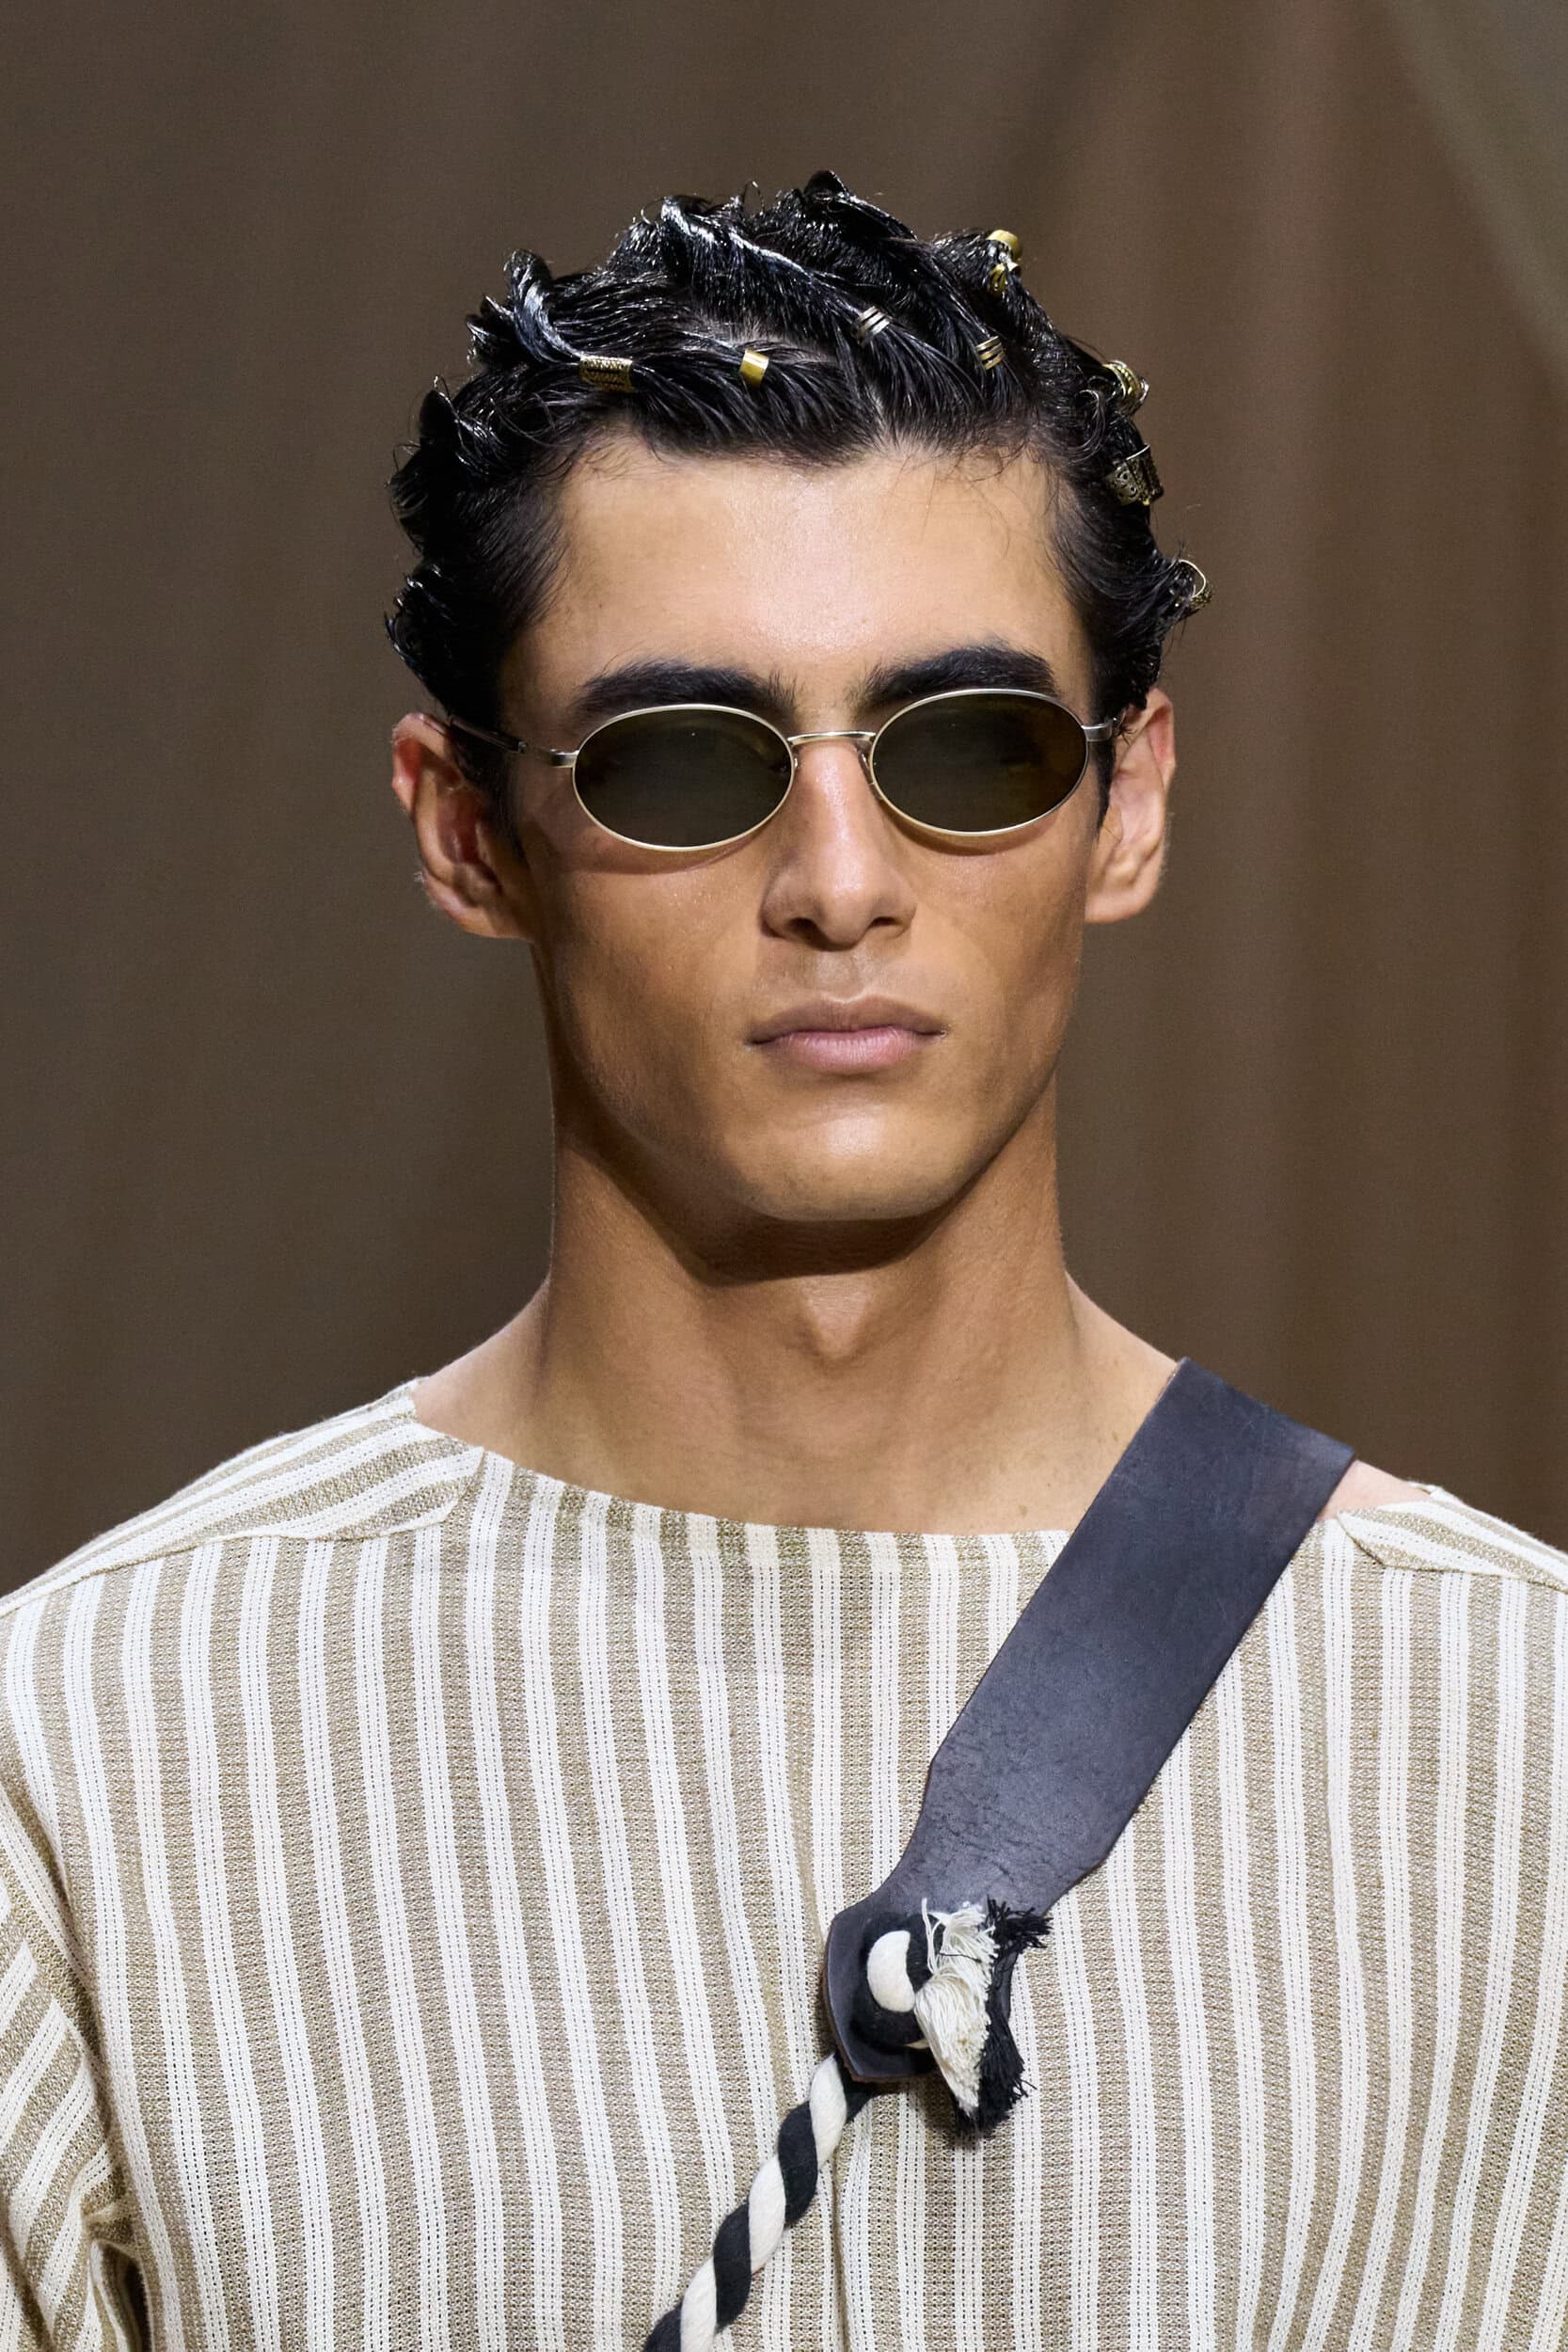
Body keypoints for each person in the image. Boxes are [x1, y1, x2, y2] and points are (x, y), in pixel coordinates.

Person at [4, 171, 1565, 2352]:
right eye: (682, 762)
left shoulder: (1518, 1742)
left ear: (1127, 799)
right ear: (467, 827)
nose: (840, 878)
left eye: (968, 747)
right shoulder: (98, 1751)